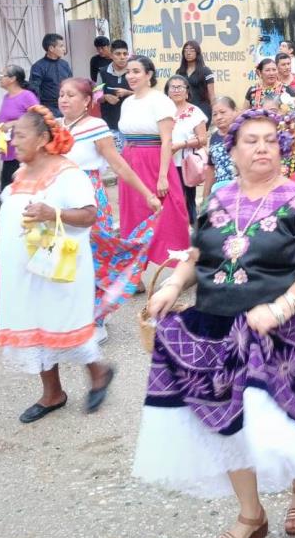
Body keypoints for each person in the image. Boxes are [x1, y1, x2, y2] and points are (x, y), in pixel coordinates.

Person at [134, 110, 295, 538]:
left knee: (292, 416)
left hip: (285, 329)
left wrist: (281, 308)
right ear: (231, 151)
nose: (261, 148)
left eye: (270, 140)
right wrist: (173, 286)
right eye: (251, 141)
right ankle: (251, 515)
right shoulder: (216, 198)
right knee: (227, 423)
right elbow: (199, 254)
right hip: (215, 327)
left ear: (282, 148)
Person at [0, 106, 114, 423]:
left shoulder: (67, 173)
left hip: (58, 265)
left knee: (61, 322)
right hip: (23, 267)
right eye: (12, 133)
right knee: (35, 323)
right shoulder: (20, 175)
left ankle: (99, 372)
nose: (12, 139)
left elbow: (89, 215)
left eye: (20, 134)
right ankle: (53, 393)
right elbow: (18, 210)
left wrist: (54, 214)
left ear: (42, 138)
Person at [58, 77, 162, 337]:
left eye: (71, 95)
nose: (64, 99)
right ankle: (74, 314)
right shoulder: (56, 127)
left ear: (86, 102)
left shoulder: (96, 126)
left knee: (94, 257)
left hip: (89, 197)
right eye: (61, 94)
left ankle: (97, 319)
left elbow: (119, 165)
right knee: (66, 257)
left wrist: (147, 193)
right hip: (60, 199)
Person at [118, 56, 191, 264]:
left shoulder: (160, 101)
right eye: (128, 72)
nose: (130, 76)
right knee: (132, 213)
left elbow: (167, 140)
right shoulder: (128, 103)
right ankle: (134, 269)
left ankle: (179, 264)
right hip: (130, 162)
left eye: (136, 71)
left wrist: (162, 176)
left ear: (149, 74)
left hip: (154, 160)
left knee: (168, 213)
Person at [165, 75, 209, 225]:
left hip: (185, 164)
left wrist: (181, 145)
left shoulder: (195, 112)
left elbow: (202, 139)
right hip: (164, 163)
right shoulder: (162, 112)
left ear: (187, 91)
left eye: (180, 87)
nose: (176, 90)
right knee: (167, 201)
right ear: (167, 91)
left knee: (186, 200)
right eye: (173, 87)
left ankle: (192, 234)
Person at [0, 66, 40, 189]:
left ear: (13, 79)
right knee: (7, 189)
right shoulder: (6, 97)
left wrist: (14, 123)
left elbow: (38, 117)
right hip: (9, 151)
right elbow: (3, 118)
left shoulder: (27, 96)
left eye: (2, 76)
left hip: (24, 152)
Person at [97, 39, 132, 150]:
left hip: (132, 125)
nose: (122, 57)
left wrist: (128, 93)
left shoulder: (134, 71)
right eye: (118, 54)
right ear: (111, 55)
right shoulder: (102, 72)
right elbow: (96, 96)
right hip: (110, 124)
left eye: (125, 54)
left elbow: (146, 93)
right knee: (115, 160)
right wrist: (106, 97)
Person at [202, 96, 238, 200]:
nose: (219, 117)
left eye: (223, 112)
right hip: (220, 192)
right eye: (215, 114)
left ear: (235, 111)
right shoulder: (214, 137)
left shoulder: (243, 134)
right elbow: (211, 168)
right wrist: (206, 197)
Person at [29, 33, 72, 117]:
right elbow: (34, 89)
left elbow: (71, 84)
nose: (64, 49)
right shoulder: (38, 67)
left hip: (66, 106)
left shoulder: (65, 64)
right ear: (51, 48)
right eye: (61, 46)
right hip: (49, 109)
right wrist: (40, 110)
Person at [176, 40, 216, 124]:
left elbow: (212, 96)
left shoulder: (206, 71)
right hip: (185, 110)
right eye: (186, 50)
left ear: (197, 52)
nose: (188, 52)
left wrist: (215, 113)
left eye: (192, 50)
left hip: (202, 109)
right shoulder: (179, 72)